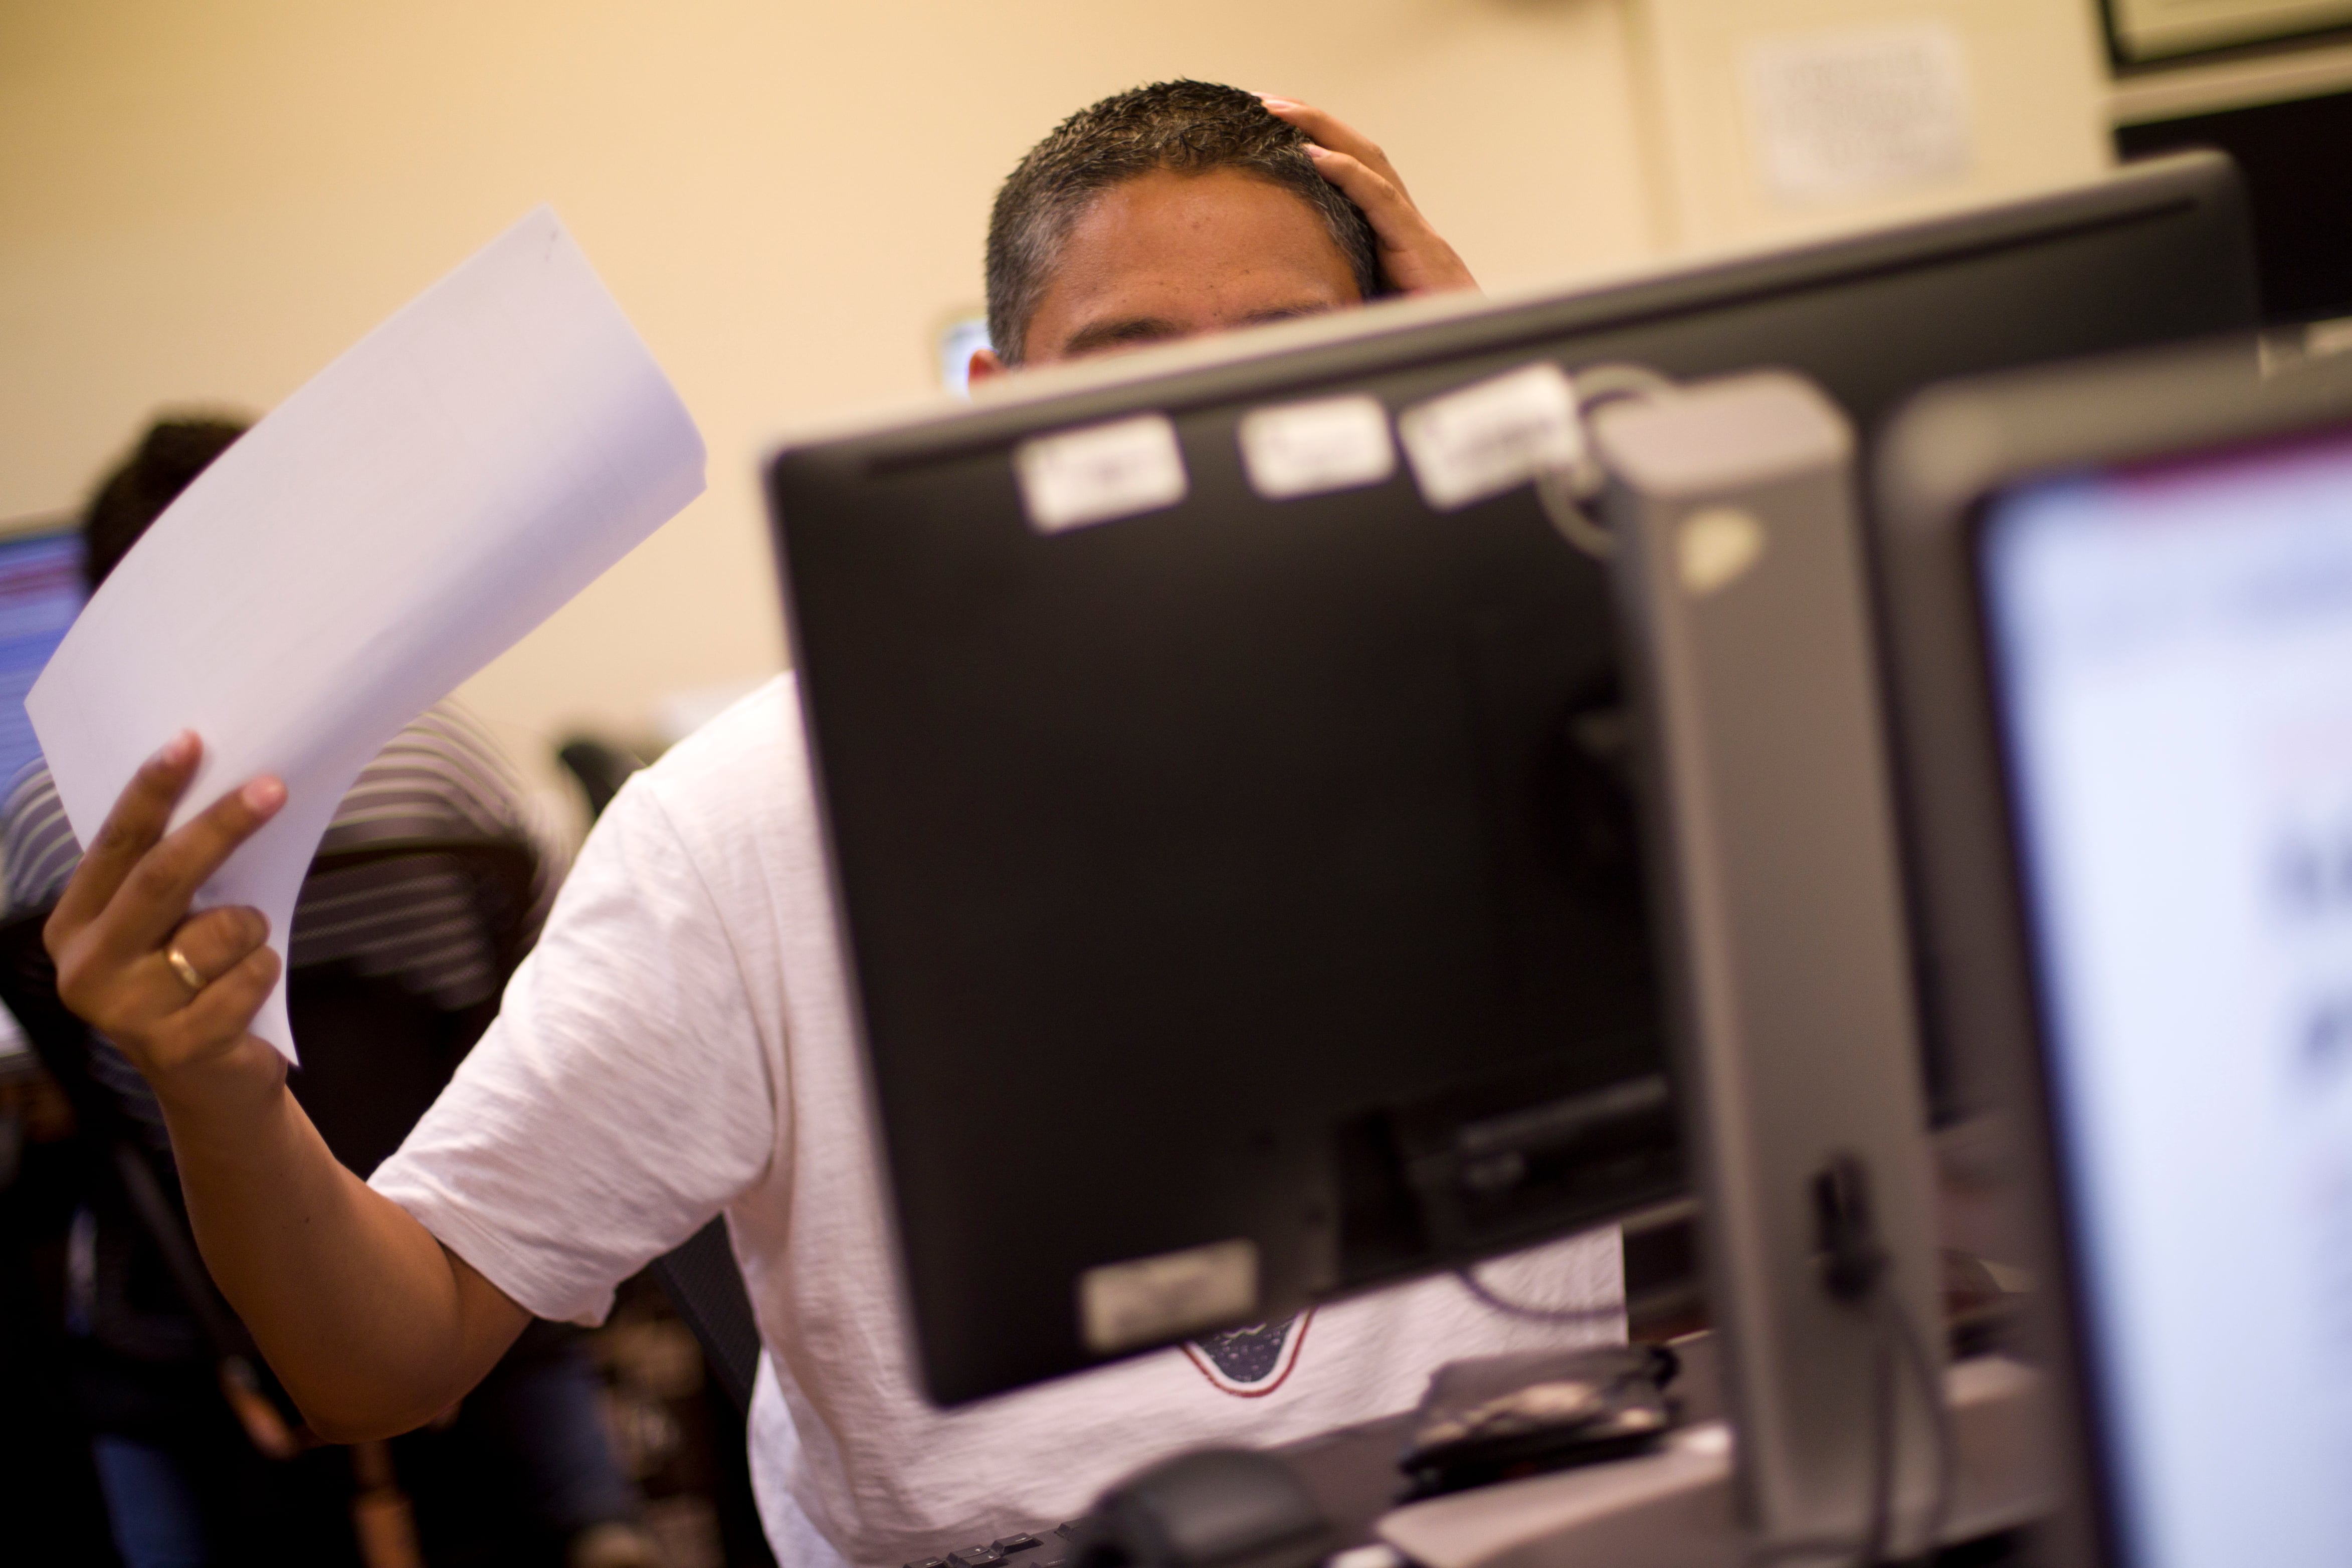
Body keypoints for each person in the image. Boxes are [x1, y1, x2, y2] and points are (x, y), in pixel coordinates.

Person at [43, 84, 1624, 1567]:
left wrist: (1523, 497)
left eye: (1286, 352)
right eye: (1127, 364)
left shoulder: (1583, 716)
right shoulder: (741, 828)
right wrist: (219, 1089)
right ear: (992, 414)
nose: (1204, 430)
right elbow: (382, 1366)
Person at [9, 421, 657, 1568]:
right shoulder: (453, 764)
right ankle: (596, 1519)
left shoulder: (48, 833)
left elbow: (86, 1084)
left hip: (201, 1329)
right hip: (470, 1267)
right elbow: (549, 1001)